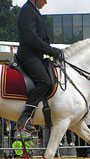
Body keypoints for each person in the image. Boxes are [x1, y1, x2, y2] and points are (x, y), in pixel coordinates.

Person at [16, 0, 62, 132]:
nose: (46, 2)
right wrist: (50, 50)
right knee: (45, 82)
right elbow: (31, 37)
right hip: (28, 55)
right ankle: (25, 116)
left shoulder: (33, 10)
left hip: (37, 55)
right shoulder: (27, 10)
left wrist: (51, 50)